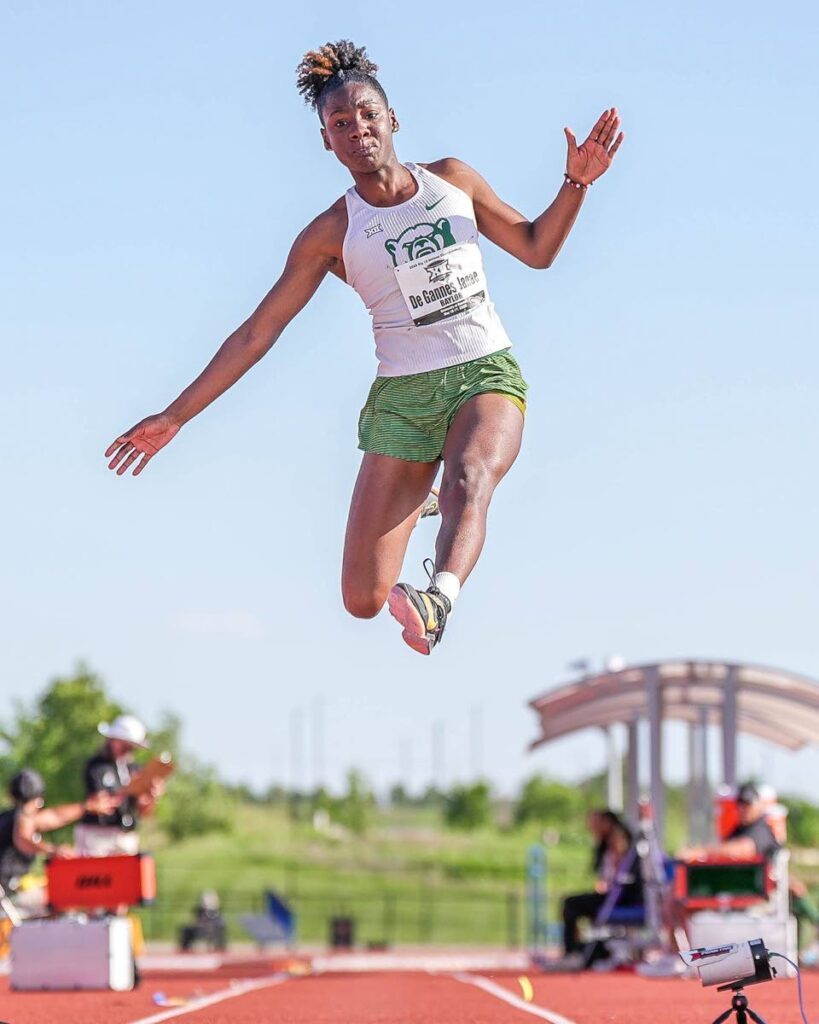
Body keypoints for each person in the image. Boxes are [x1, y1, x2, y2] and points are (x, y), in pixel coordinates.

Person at [105, 39, 623, 655]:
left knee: (469, 476)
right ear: (326, 140)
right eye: (340, 123)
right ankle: (423, 496)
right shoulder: (331, 234)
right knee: (363, 599)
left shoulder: (452, 181)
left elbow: (537, 248)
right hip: (402, 400)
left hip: (483, 372)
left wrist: (575, 184)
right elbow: (256, 333)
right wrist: (175, 416)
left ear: (393, 118)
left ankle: (440, 598)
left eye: (368, 115)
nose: (358, 130)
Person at [0, 769, 118, 917]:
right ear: (39, 799)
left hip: (10, 891)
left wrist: (86, 807)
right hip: (9, 893)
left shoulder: (8, 817)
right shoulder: (24, 817)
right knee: (65, 896)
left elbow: (55, 816)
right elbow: (23, 839)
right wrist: (52, 850)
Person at [75, 714, 163, 857]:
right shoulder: (96, 766)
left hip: (125, 835)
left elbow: (143, 810)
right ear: (112, 740)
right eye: (125, 745)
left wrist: (151, 795)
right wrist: (130, 788)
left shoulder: (133, 768)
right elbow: (100, 803)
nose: (128, 750)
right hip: (98, 835)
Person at [561, 809, 641, 961]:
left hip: (621, 896)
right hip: (611, 894)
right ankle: (575, 948)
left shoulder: (618, 838)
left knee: (570, 904)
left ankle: (572, 951)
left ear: (607, 823)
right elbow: (604, 875)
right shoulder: (603, 845)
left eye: (595, 823)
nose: (591, 827)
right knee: (570, 904)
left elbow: (621, 870)